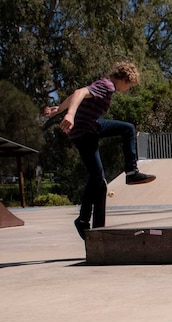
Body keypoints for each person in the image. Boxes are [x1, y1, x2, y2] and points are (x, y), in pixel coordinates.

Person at [43, 61, 155, 239]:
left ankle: (131, 171)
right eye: (129, 86)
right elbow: (79, 93)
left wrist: (58, 110)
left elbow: (75, 95)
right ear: (124, 79)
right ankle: (83, 219)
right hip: (83, 132)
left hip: (92, 126)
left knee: (127, 129)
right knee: (97, 178)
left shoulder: (104, 84)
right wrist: (69, 114)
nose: (128, 89)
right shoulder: (107, 86)